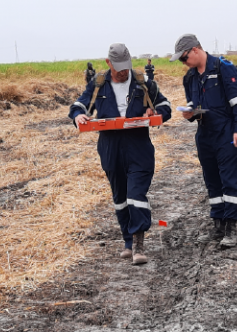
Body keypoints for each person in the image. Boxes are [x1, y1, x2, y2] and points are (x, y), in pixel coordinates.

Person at [69, 43, 172, 264]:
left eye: (126, 67)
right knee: (120, 198)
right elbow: (78, 106)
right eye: (119, 69)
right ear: (109, 63)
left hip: (139, 148)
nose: (124, 72)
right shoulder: (98, 84)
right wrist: (78, 116)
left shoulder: (142, 83)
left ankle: (138, 243)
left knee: (136, 195)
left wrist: (156, 112)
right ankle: (127, 240)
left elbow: (165, 106)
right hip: (110, 148)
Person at [170, 34, 237, 247]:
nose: (183, 63)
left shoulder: (224, 68)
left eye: (184, 58)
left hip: (227, 133)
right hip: (205, 135)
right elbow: (195, 107)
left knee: (231, 179)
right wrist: (191, 114)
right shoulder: (190, 78)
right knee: (212, 180)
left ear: (195, 50)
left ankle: (231, 229)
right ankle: (218, 226)